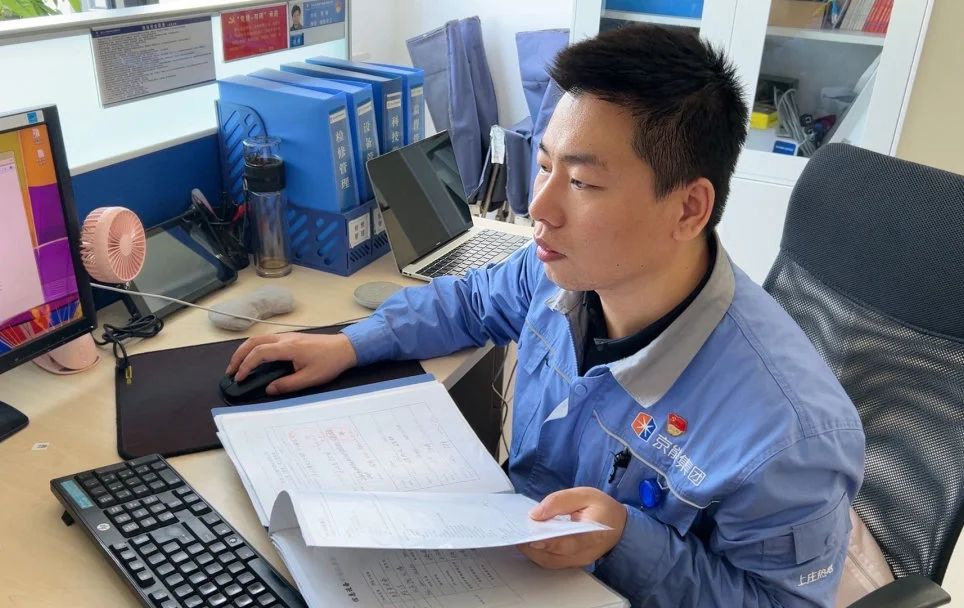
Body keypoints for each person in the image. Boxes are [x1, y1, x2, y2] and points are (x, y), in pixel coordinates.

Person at [226, 24, 865, 607]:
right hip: (505, 561)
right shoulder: (561, 270)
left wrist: (626, 540)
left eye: (582, 183)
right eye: (543, 166)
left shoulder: (791, 432)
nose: (540, 207)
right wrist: (351, 344)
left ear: (688, 209)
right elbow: (471, 301)